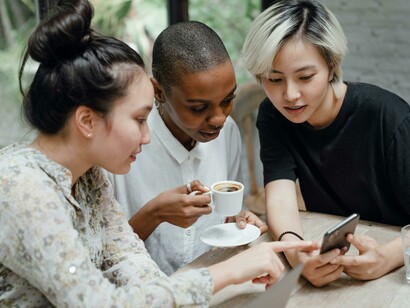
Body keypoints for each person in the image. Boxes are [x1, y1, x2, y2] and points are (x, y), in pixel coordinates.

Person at [0, 0, 319, 306]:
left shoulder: (89, 178)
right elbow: (98, 302)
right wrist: (227, 272)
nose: (148, 134)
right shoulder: (20, 186)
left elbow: (133, 267)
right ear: (87, 121)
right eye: (140, 119)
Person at [241, 0, 410, 287]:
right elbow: (280, 196)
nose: (290, 95)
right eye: (274, 79)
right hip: (336, 257)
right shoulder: (274, 114)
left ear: (332, 66)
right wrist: (297, 256)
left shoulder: (388, 117)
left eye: (305, 77)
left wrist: (391, 257)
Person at [109, 21, 267, 275]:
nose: (219, 119)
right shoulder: (123, 148)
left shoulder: (227, 133)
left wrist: (239, 219)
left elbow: (228, 217)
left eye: (227, 101)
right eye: (198, 108)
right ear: (158, 91)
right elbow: (101, 258)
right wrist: (154, 214)